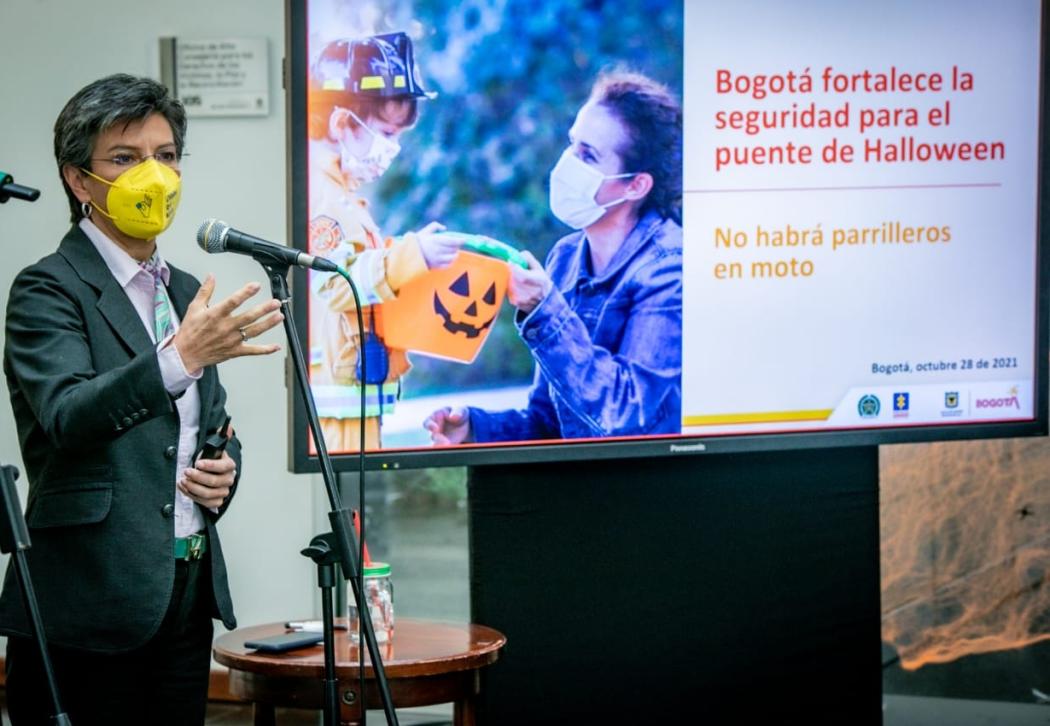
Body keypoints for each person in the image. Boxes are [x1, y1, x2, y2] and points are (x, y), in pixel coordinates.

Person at [0, 74, 282, 724]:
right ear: (79, 181)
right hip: (88, 601)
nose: (153, 175)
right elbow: (69, 416)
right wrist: (182, 356)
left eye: (165, 155)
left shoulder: (184, 288)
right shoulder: (48, 289)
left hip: (184, 590)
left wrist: (224, 466)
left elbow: (204, 422)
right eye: (125, 159)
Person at [425, 71, 683, 444]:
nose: (568, 163)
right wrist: (475, 428)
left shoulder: (669, 269)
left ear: (636, 185)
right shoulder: (565, 257)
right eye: (572, 144)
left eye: (588, 156)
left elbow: (625, 416)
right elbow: (551, 419)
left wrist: (545, 309)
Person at [307, 32, 463, 453]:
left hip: (352, 401)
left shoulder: (342, 195)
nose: (391, 147)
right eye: (385, 132)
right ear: (341, 123)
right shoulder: (323, 196)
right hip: (336, 413)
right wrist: (412, 255)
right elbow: (333, 282)